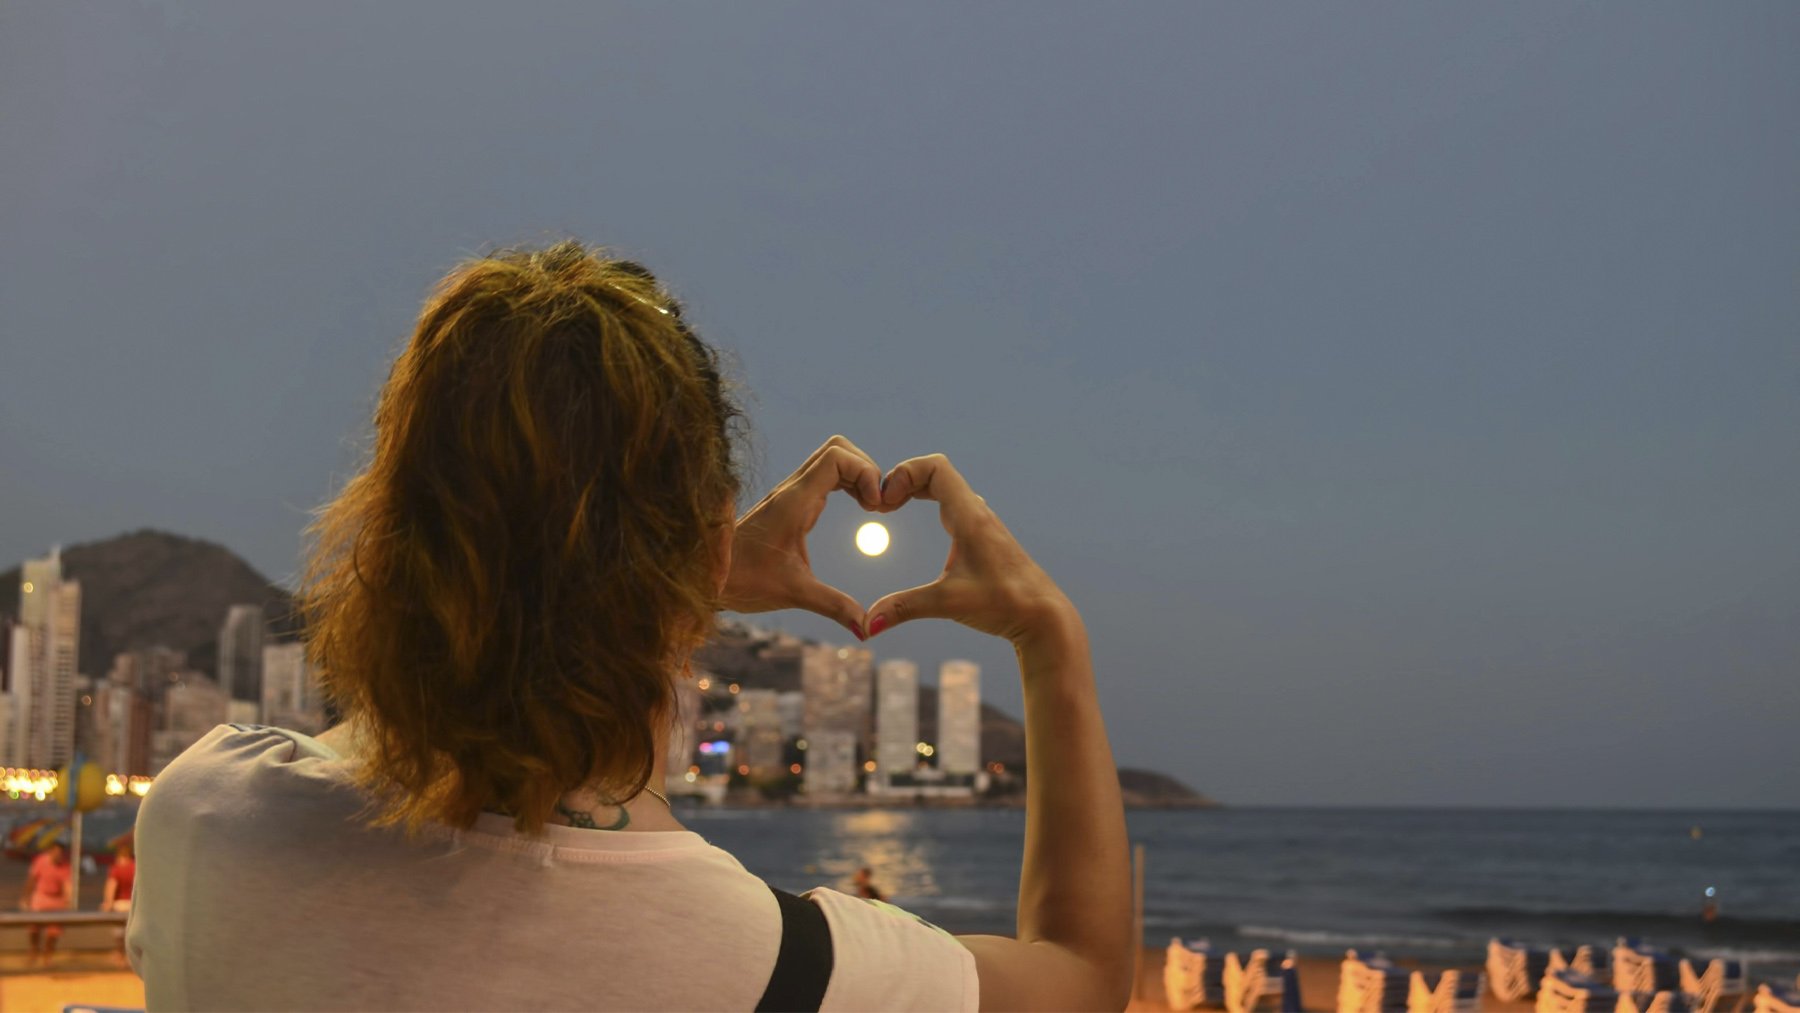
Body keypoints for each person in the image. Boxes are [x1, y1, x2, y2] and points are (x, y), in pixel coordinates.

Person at [128, 242, 1131, 1010]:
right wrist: (1052, 639)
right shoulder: (783, 968)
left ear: (391, 524)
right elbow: (1081, 973)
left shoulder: (207, 816)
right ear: (703, 547)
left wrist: (670, 574)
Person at [20, 838, 73, 967]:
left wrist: (68, 900)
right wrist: (25, 897)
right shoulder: (40, 861)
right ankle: (33, 952)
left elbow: (67, 885)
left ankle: (47, 956)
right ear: (50, 851)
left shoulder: (65, 866)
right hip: (41, 897)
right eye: (56, 852)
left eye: (60, 853)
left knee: (53, 932)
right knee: (33, 929)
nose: (58, 855)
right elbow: (32, 879)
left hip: (56, 899)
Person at [103, 837, 136, 966]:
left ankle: (120, 955)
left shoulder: (116, 869)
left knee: (119, 934)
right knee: (131, 933)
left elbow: (111, 886)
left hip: (120, 905)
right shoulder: (136, 867)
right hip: (133, 905)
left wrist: (108, 902)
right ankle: (130, 957)